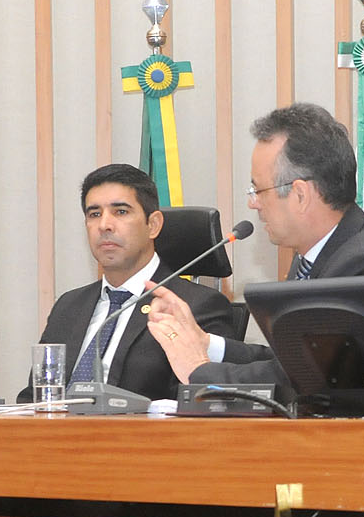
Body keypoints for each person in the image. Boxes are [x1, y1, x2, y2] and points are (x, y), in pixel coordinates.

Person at [142, 102, 364, 388]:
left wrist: (198, 370)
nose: (253, 203)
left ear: (300, 194)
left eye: (258, 190)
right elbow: (291, 362)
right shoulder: (319, 253)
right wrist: (205, 344)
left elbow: (311, 378)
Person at [17, 163, 240, 403]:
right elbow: (34, 398)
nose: (104, 225)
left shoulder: (195, 306)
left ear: (153, 225)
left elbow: (197, 402)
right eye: (94, 214)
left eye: (121, 212)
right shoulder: (69, 306)